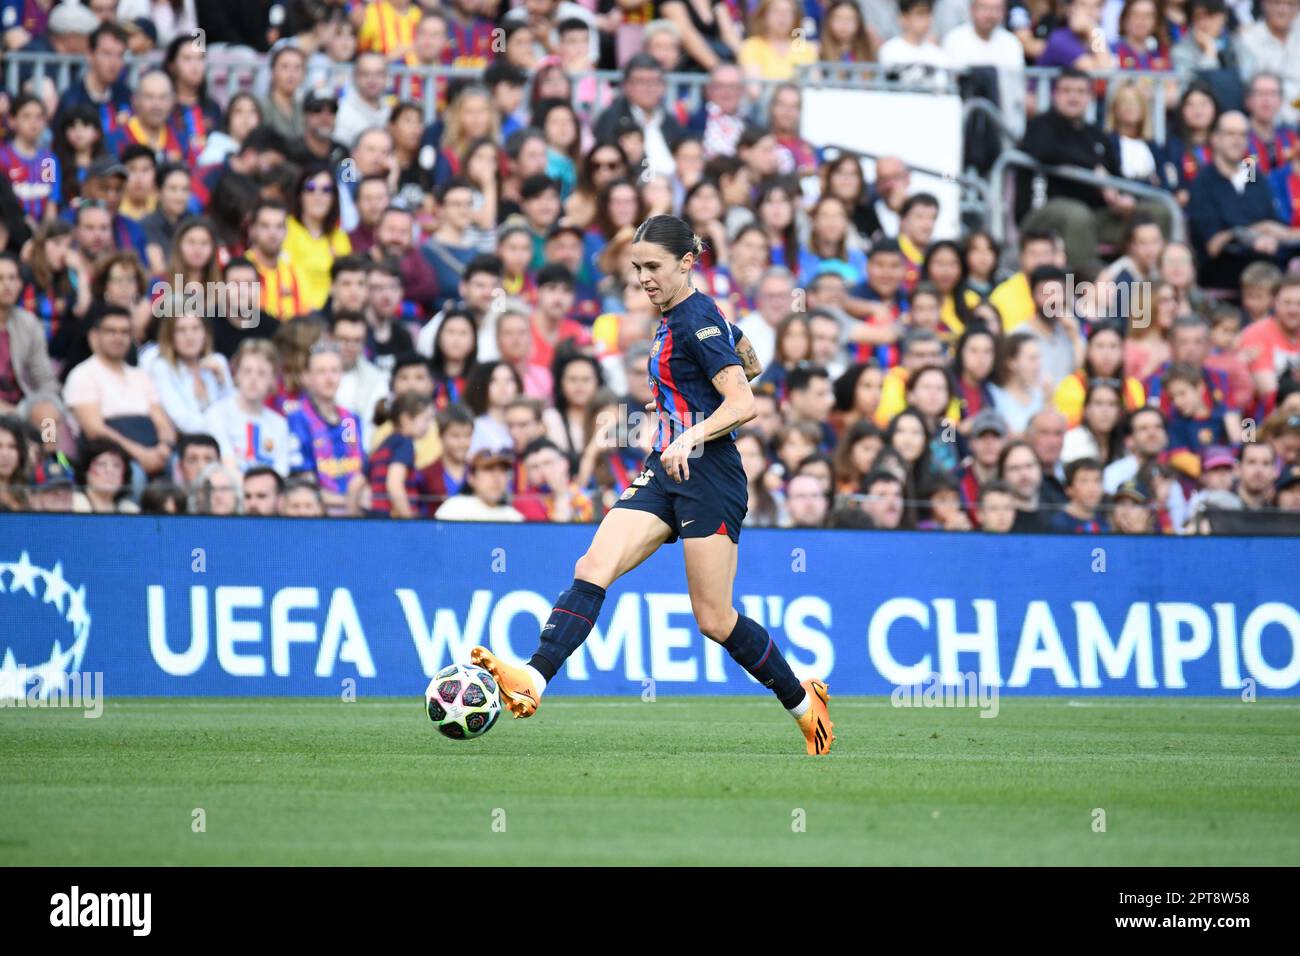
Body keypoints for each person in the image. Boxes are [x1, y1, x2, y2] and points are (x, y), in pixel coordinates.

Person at [468, 214, 833, 756]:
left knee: (714, 619)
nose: (643, 277)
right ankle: (534, 678)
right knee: (592, 567)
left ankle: (804, 702)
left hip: (709, 473)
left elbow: (744, 401)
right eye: (637, 267)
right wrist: (676, 404)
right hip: (667, 469)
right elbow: (747, 361)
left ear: (687, 262)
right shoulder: (680, 316)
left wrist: (691, 434)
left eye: (653, 266)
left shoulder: (695, 318)